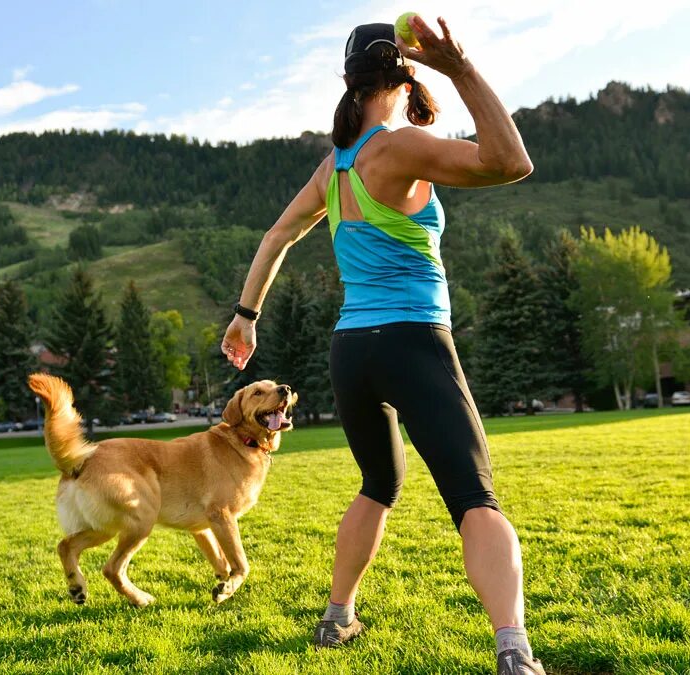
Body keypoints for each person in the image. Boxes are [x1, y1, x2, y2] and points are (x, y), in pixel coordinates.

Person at [220, 15, 542, 675]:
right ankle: (514, 648)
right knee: (474, 497)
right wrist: (460, 67)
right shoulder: (401, 146)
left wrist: (245, 314)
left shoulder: (333, 166)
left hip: (352, 352)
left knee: (378, 482)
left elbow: (275, 237)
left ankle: (338, 616)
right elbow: (510, 161)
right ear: (404, 73)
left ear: (349, 80)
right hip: (413, 341)